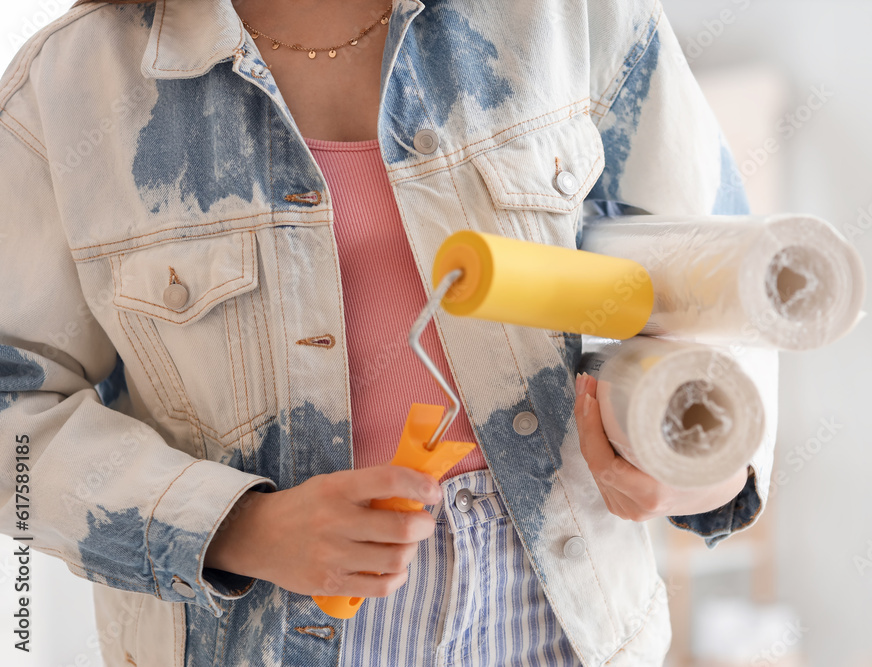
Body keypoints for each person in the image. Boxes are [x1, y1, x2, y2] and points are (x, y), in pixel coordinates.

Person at [0, 0, 778, 664]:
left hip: (565, 613)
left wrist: (703, 470)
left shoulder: (572, 16)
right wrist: (238, 524)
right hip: (258, 626)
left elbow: (717, 276)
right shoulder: (67, 90)